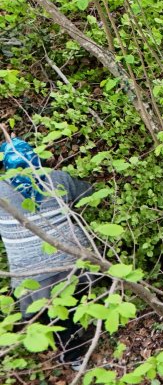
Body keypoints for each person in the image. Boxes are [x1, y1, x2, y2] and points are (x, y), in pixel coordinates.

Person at [0, 137, 94, 370]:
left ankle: (74, 355)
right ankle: (84, 327)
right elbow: (89, 192)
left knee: (56, 314)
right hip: (74, 257)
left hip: (31, 274)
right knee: (72, 300)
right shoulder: (57, 178)